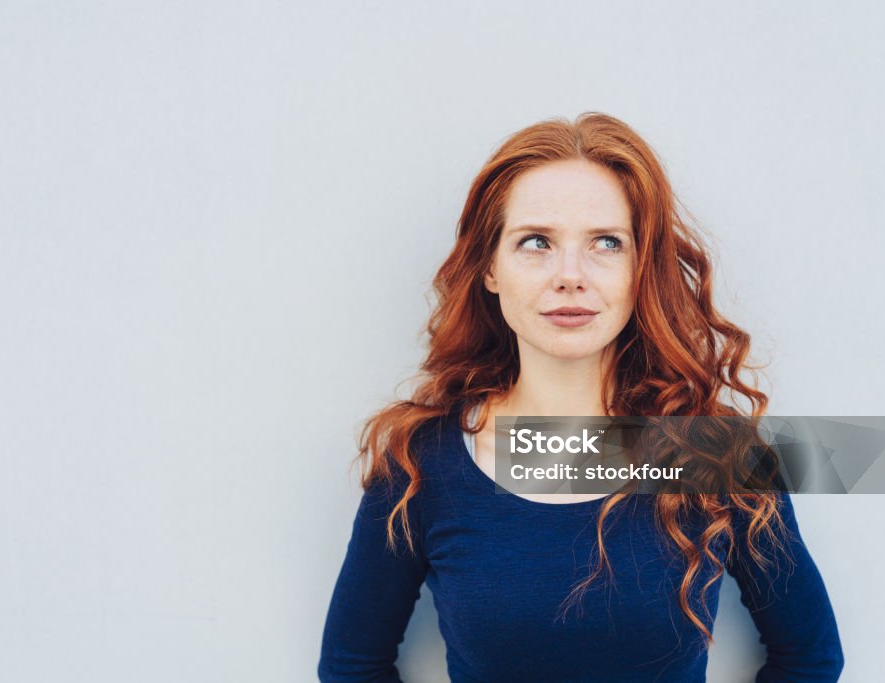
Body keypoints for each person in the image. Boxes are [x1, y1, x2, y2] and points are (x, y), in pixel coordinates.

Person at [317, 113, 844, 682]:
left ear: (641, 267)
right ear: (490, 267)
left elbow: (810, 660)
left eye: (607, 243)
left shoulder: (720, 457)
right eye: (536, 242)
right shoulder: (419, 463)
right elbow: (352, 665)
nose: (570, 275)